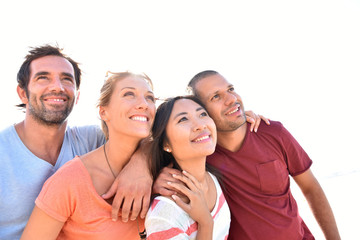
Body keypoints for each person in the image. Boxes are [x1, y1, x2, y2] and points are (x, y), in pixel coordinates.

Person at [154, 70, 341, 240]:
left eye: (231, 89)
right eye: (216, 97)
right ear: (204, 111)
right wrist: (144, 171)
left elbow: (311, 188)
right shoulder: (202, 152)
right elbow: (160, 140)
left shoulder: (272, 132)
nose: (231, 99)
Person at [0, 45, 151, 240]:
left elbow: (144, 137)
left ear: (77, 95)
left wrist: (140, 166)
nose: (57, 87)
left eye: (66, 79)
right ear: (23, 93)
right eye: (43, 77)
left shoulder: (91, 140)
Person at [145, 96, 231, 239]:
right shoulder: (164, 214)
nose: (200, 125)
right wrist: (205, 223)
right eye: (183, 119)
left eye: (202, 114)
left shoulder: (213, 178)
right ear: (166, 143)